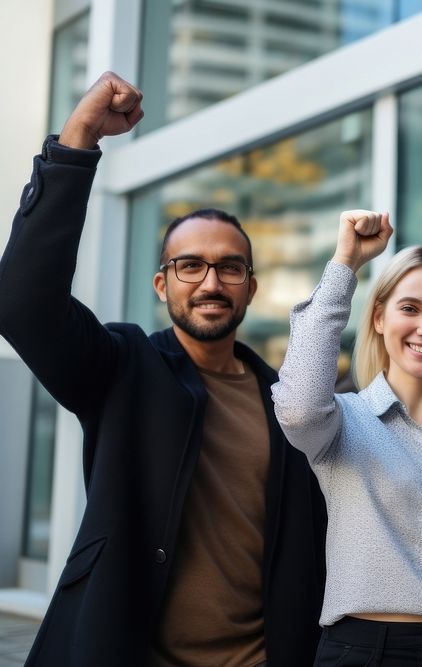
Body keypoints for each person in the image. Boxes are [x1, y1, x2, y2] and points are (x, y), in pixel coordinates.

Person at [0, 72, 326, 665]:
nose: (210, 282)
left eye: (230, 268)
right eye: (190, 266)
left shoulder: (289, 403)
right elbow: (21, 300)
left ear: (251, 289)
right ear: (162, 283)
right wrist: (78, 141)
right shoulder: (123, 366)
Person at [272, 210, 422, 666]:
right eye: (410, 308)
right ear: (380, 318)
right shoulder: (341, 423)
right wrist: (345, 263)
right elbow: (298, 404)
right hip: (359, 652)